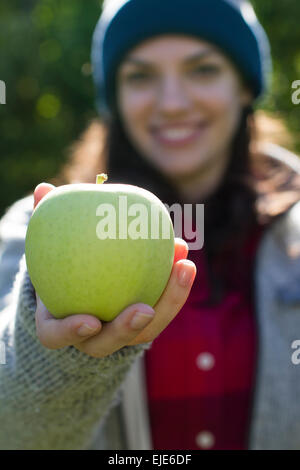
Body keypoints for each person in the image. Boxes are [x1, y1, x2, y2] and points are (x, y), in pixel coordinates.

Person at [1, 0, 300, 450]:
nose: (173, 102)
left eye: (202, 69)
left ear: (243, 87)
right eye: (140, 75)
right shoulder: (32, 232)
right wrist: (53, 359)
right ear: (115, 98)